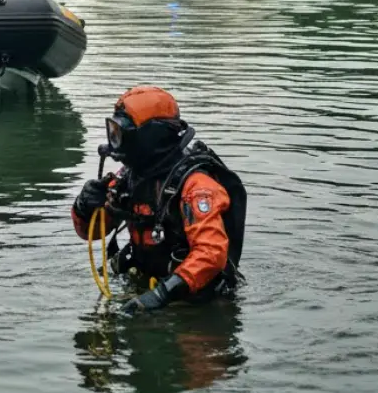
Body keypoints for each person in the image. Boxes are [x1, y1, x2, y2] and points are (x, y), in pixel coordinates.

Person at [71, 86, 246, 316]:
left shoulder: (196, 186)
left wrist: (161, 295)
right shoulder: (130, 176)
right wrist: (84, 206)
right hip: (146, 291)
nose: (116, 143)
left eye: (121, 134)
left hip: (198, 306)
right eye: (113, 133)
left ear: (149, 137)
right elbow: (92, 232)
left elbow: (211, 254)